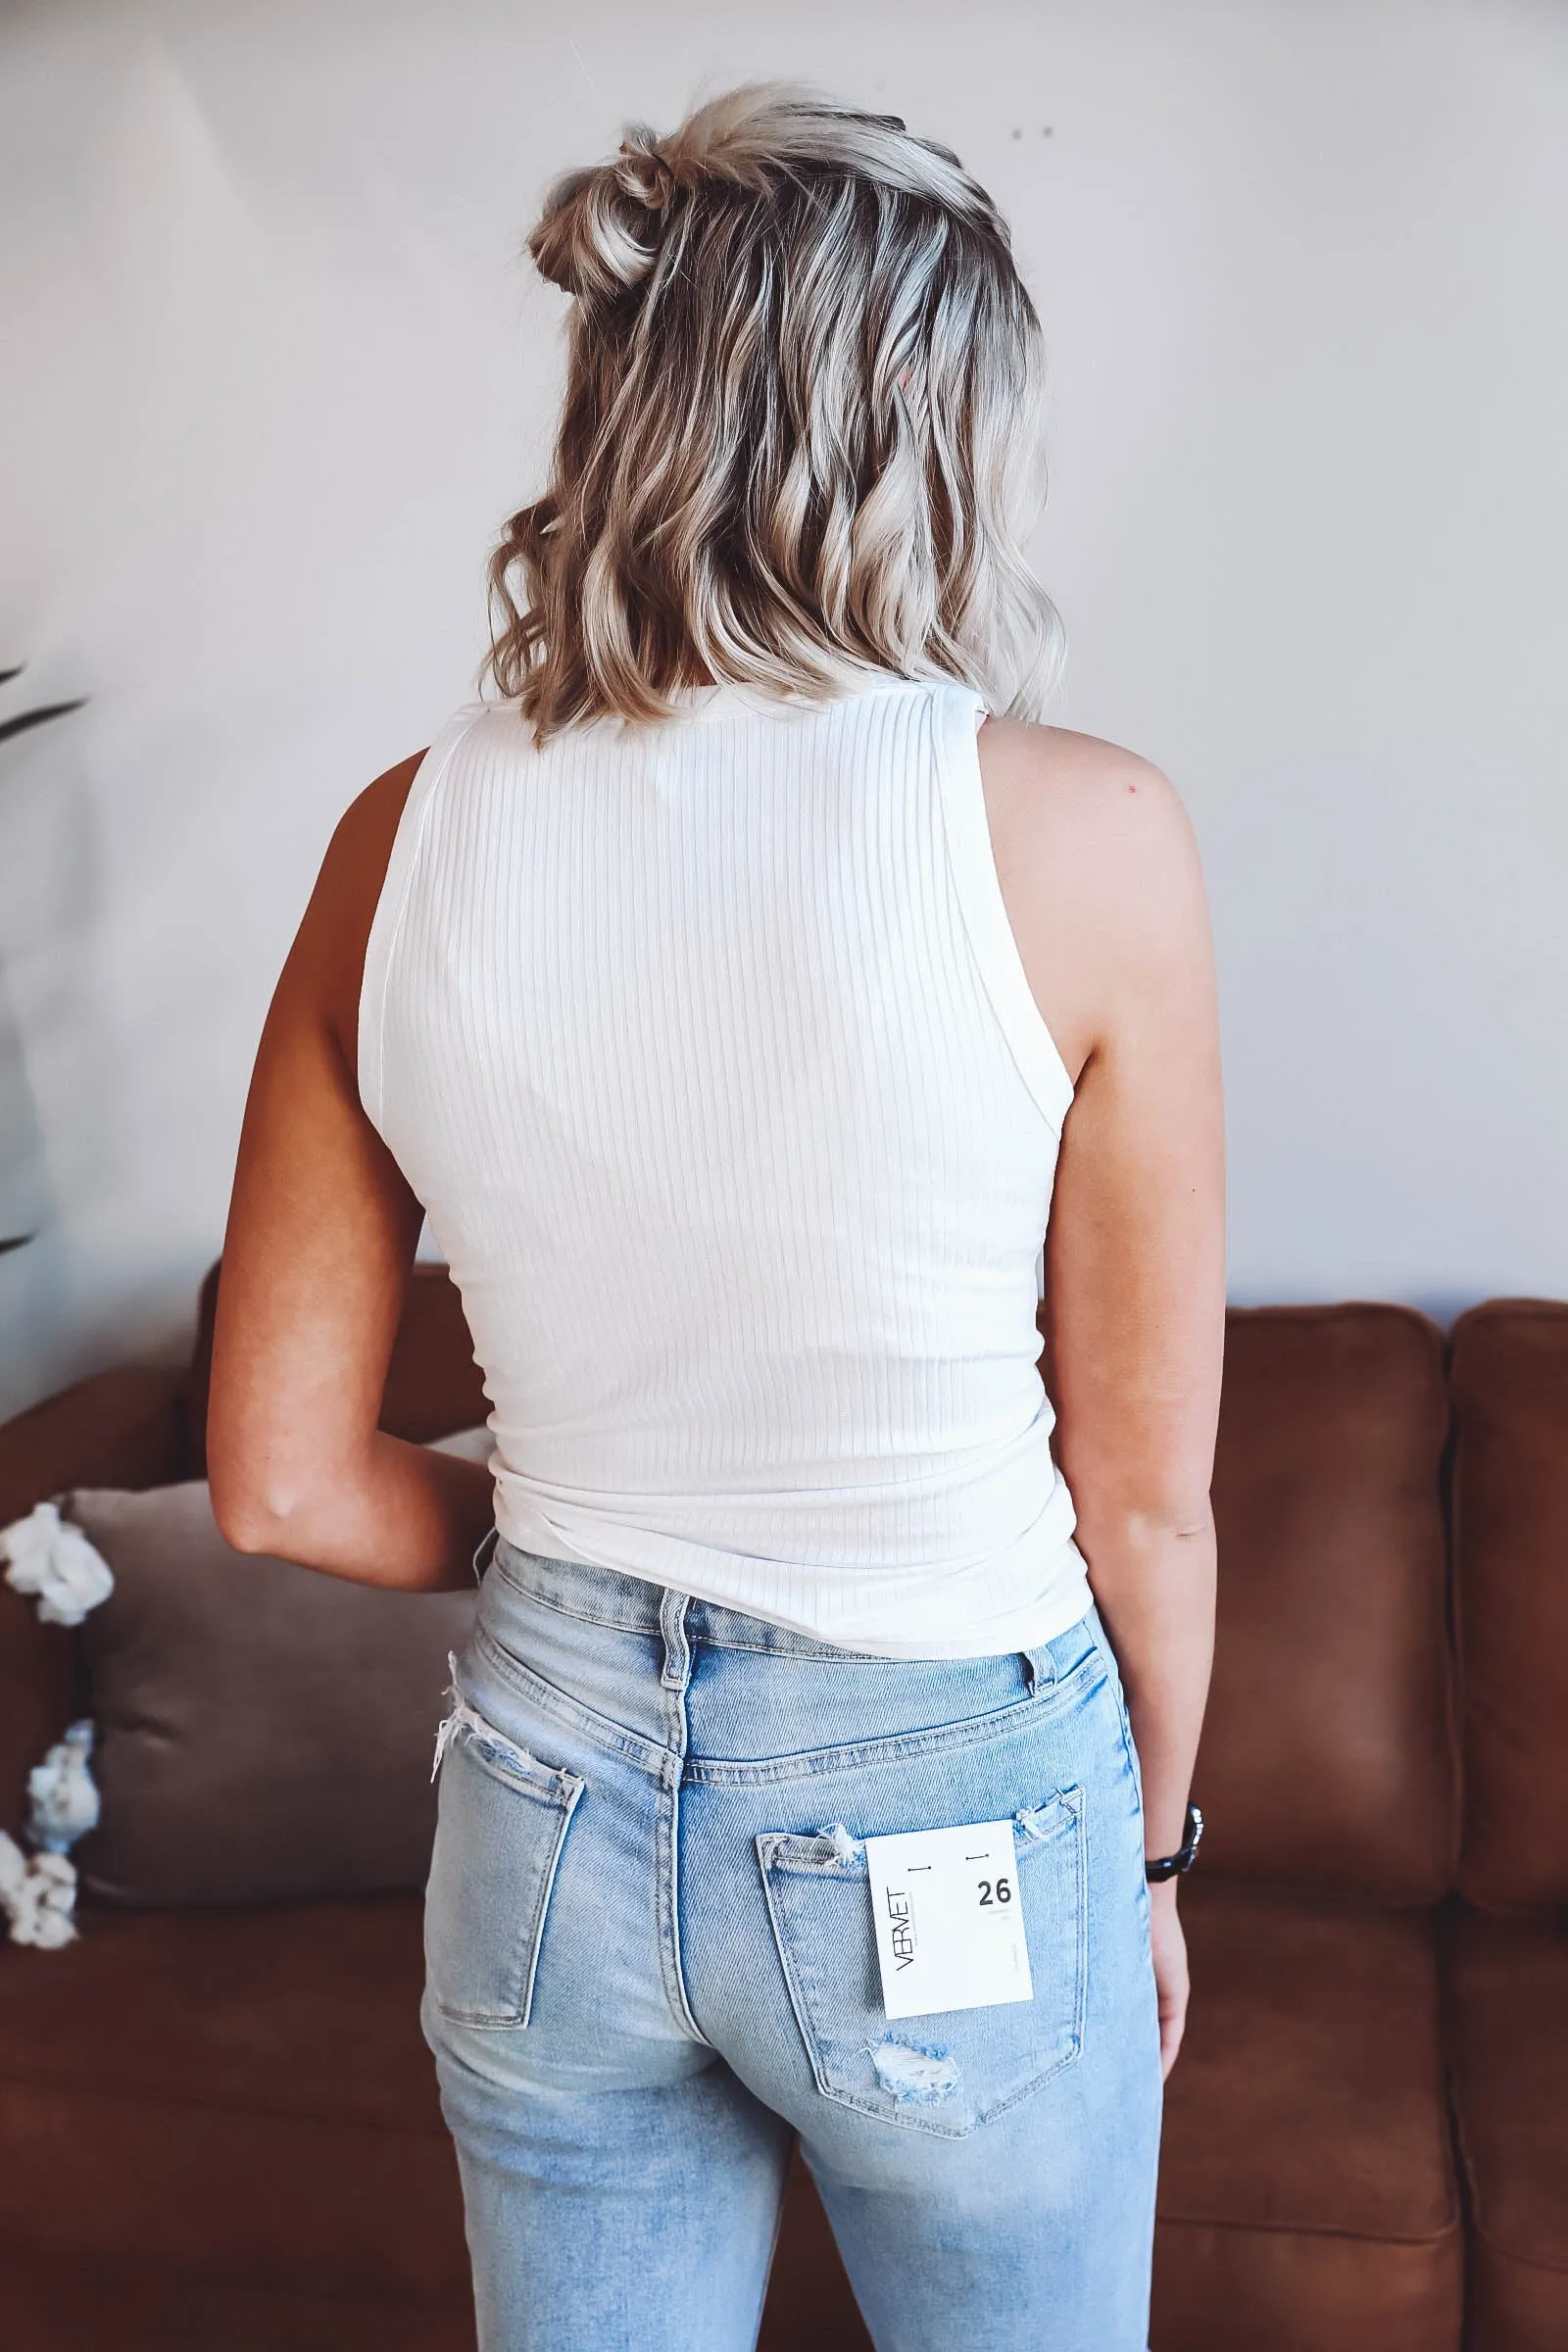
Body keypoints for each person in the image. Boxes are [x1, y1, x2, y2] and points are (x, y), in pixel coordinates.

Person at [207, 80, 1223, 2352]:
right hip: (951, 1788)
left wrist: (575, 1570)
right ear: (944, 430)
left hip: (549, 1787)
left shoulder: (398, 837)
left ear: (624, 409)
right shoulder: (1083, 833)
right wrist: (1139, 1863)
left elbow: (274, 1484)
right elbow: (1142, 1506)